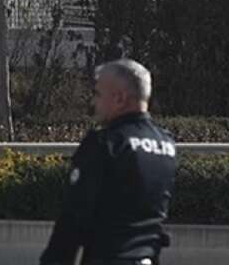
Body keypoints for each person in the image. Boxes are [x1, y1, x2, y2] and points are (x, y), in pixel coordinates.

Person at [41, 59, 177, 265]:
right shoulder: (165, 144)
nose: (93, 103)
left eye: (98, 94)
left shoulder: (106, 143)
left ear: (119, 98)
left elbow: (72, 220)